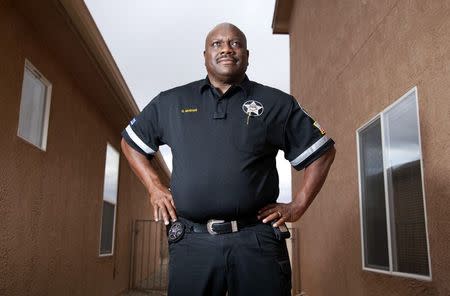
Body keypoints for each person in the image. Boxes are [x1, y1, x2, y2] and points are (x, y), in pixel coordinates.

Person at [121, 23, 335, 296]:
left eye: (235, 44)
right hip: (192, 243)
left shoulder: (275, 103)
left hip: (256, 242)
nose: (226, 49)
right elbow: (130, 143)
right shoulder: (171, 102)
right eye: (217, 44)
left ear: (246, 54)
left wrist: (298, 206)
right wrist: (154, 187)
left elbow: (323, 152)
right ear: (204, 55)